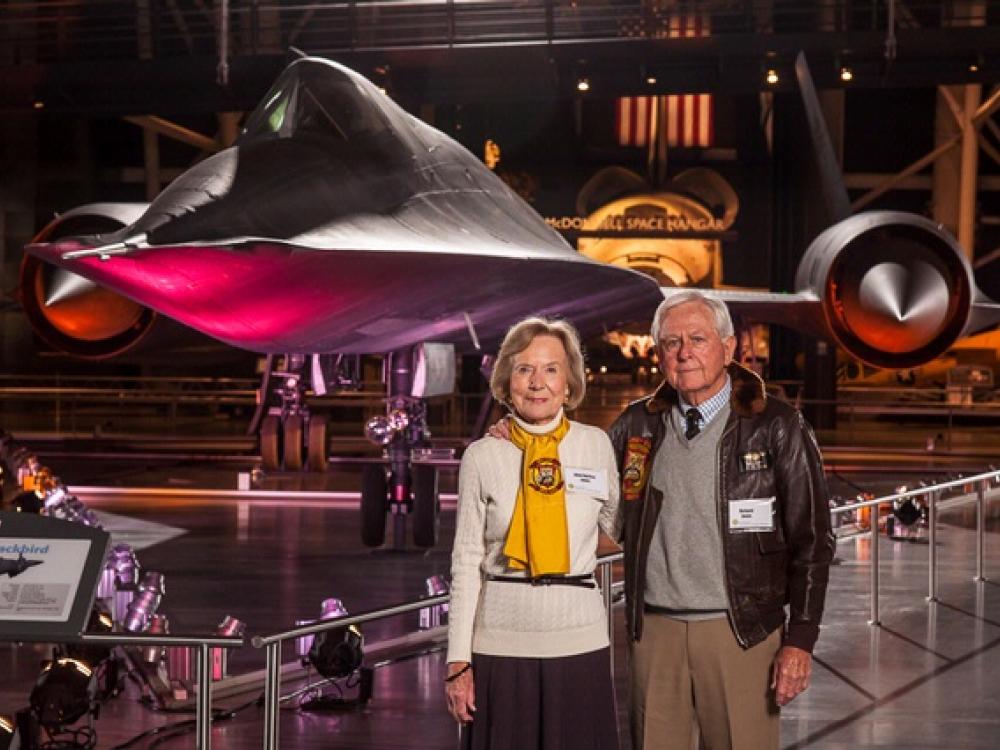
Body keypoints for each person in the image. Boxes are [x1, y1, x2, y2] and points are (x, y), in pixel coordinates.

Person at [609, 289, 835, 750]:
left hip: (741, 633)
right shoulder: (636, 426)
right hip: (654, 634)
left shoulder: (776, 426)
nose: (685, 353)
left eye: (698, 339)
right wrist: (513, 441)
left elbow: (813, 540)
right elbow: (586, 498)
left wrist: (801, 640)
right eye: (671, 343)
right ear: (658, 354)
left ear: (729, 348)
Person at [445, 316, 621, 750]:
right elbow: (466, 563)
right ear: (507, 380)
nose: (537, 382)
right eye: (524, 369)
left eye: (551, 369)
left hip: (579, 639)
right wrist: (457, 662)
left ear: (569, 382)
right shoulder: (484, 456)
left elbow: (623, 528)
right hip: (502, 643)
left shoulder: (595, 445)